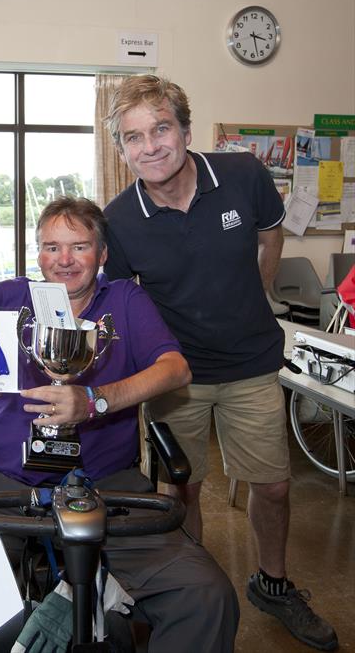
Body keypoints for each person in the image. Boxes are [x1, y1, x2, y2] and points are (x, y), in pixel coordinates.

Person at [0, 197, 238, 653]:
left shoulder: (123, 300)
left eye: (78, 246)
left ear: (101, 255)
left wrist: (95, 401)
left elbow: (175, 368)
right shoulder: (8, 299)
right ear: (38, 254)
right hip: (6, 488)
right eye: (51, 247)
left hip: (109, 487)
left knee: (206, 597)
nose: (63, 260)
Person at [102, 74, 337, 651]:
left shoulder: (241, 175)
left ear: (184, 129)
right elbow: (122, 301)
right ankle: (191, 592)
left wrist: (257, 292)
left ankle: (273, 584)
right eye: (134, 137)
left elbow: (271, 232)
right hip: (175, 373)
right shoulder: (119, 219)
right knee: (181, 492)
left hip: (250, 363)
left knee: (274, 486)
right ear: (121, 149)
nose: (151, 146)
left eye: (161, 128)